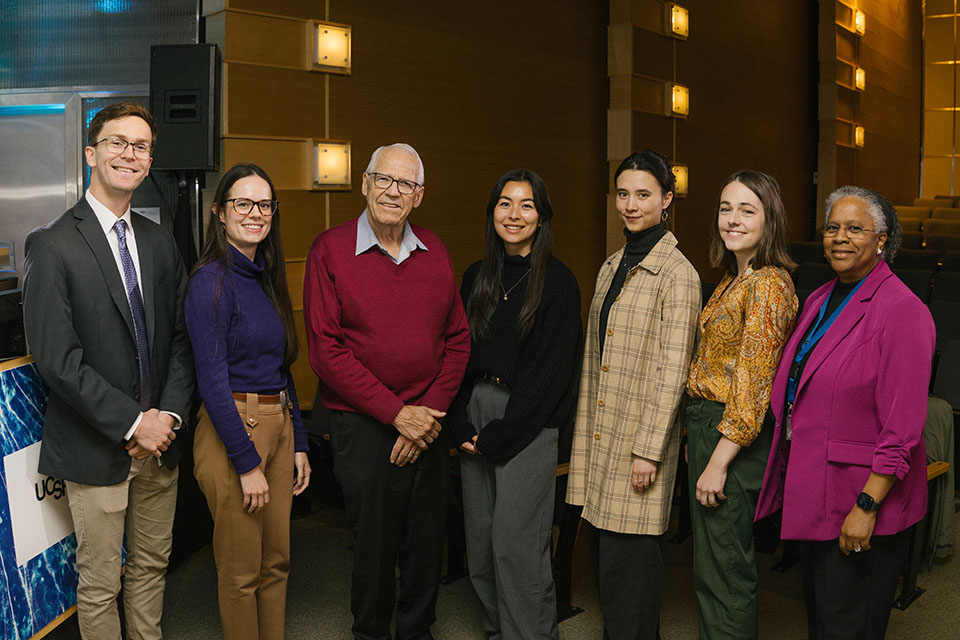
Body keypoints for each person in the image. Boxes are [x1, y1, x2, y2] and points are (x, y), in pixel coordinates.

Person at [21, 101, 194, 639]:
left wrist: (164, 416)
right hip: (97, 446)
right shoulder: (52, 245)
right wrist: (132, 422)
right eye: (118, 142)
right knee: (100, 585)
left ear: (148, 163)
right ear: (92, 153)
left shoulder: (160, 243)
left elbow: (180, 342)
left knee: (149, 572)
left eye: (141, 146)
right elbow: (57, 358)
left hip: (160, 446)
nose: (130, 154)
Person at [303, 143, 471, 640]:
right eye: (384, 179)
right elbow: (325, 352)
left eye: (406, 184)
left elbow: (458, 341)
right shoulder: (329, 249)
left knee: (424, 544)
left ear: (419, 196)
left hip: (428, 422)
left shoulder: (435, 251)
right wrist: (397, 415)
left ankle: (417, 632)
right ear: (365, 183)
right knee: (374, 547)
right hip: (364, 424)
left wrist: (426, 416)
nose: (393, 192)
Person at [755, 186, 935, 640]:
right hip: (818, 490)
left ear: (882, 240)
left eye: (855, 228)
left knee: (848, 627)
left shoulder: (902, 312)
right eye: (833, 227)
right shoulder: (820, 299)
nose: (840, 237)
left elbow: (902, 430)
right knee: (823, 621)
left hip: (859, 500)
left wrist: (867, 506)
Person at [567, 149, 700, 639]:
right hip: (605, 434)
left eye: (643, 194)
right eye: (623, 193)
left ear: (666, 200)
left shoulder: (677, 273)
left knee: (632, 572)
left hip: (640, 446)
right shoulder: (613, 265)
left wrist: (648, 450)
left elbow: (673, 370)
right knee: (609, 565)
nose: (630, 204)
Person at [447, 169, 582, 640]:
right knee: (481, 546)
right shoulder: (476, 277)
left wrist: (499, 436)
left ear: (542, 218)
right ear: (493, 213)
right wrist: (460, 422)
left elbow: (550, 379)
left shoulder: (559, 285)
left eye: (527, 205)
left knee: (515, 548)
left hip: (527, 422)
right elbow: (458, 353)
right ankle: (496, 631)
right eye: (505, 203)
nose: (514, 214)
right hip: (477, 415)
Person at [184, 164, 311, 639]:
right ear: (219, 212)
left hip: (277, 421)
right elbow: (211, 382)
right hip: (235, 426)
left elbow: (283, 365)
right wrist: (246, 463)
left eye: (264, 205)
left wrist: (298, 440)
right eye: (242, 203)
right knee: (241, 573)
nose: (255, 214)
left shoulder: (265, 276)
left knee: (276, 562)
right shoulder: (210, 282)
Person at [685, 171, 798, 639]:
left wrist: (718, 462)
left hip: (729, 434)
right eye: (725, 208)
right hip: (709, 426)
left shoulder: (768, 283)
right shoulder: (735, 279)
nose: (732, 219)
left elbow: (753, 382)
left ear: (769, 219)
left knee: (727, 571)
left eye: (747, 210)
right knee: (712, 567)